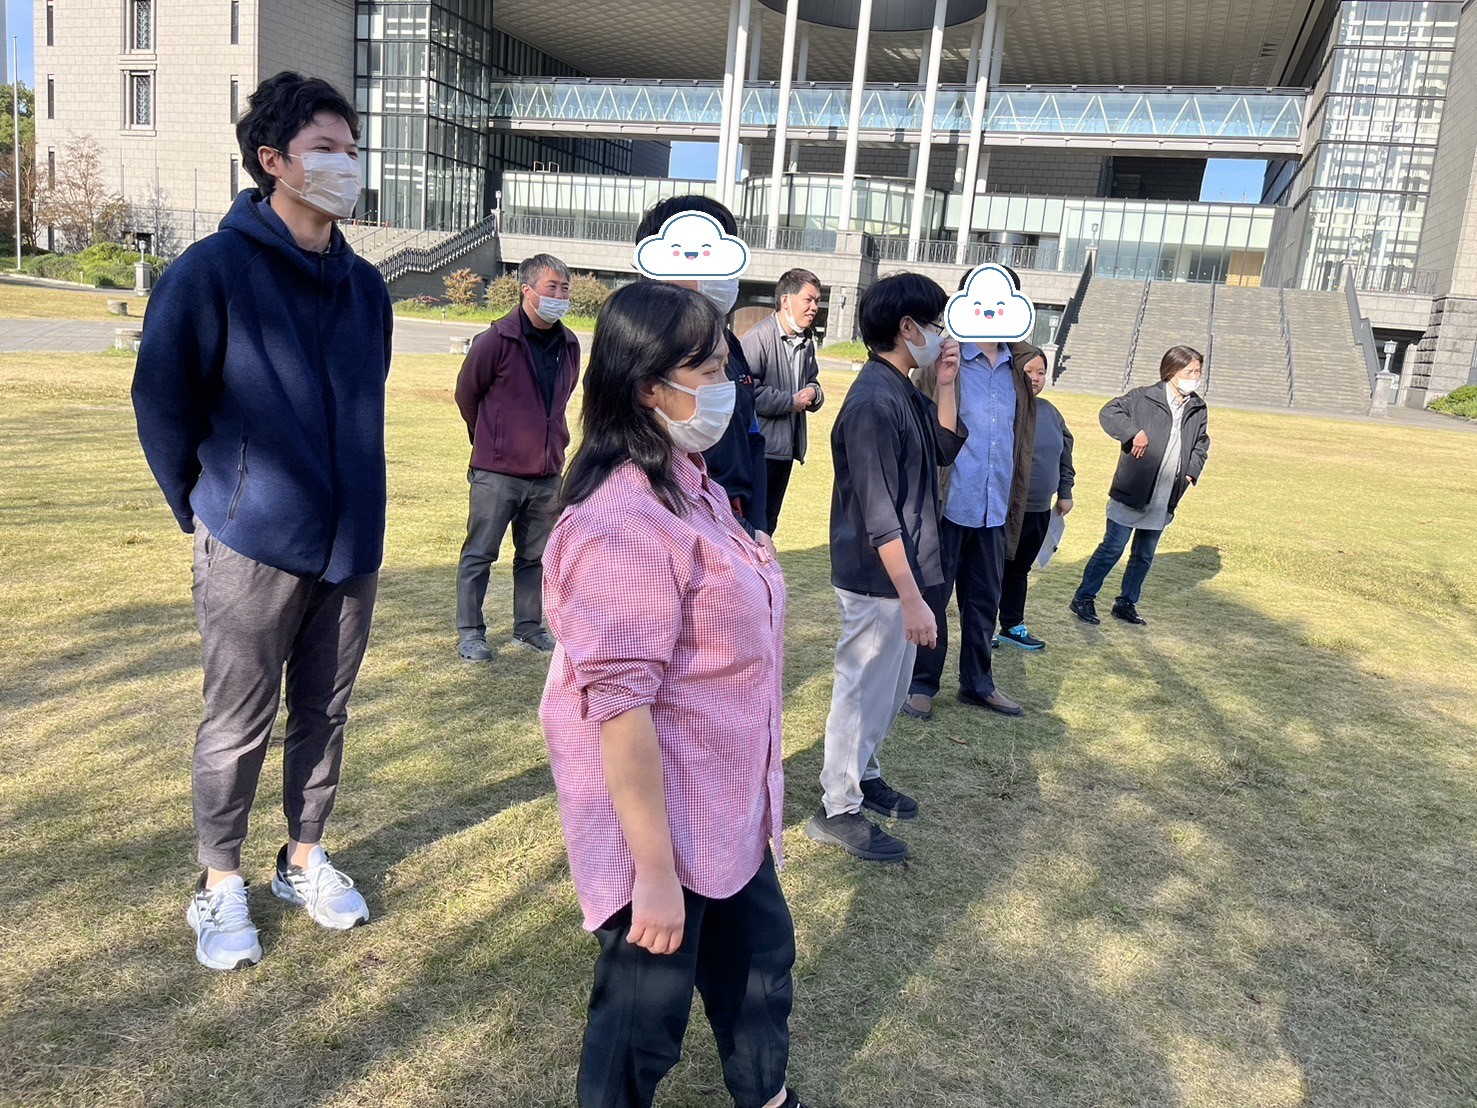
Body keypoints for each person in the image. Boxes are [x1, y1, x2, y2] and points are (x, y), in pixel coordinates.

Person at [132, 72, 388, 971]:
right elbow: (162, 403)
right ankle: (219, 878)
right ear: (273, 161)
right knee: (237, 719)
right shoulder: (211, 272)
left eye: (351, 149)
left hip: (350, 546)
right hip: (249, 541)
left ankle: (302, 858)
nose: (346, 165)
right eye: (326, 149)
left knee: (325, 710)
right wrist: (211, 505)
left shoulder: (366, 288)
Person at [540, 282, 808, 1108]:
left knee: (759, 966)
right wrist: (652, 876)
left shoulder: (690, 482)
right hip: (660, 824)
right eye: (712, 369)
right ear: (650, 388)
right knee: (641, 1015)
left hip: (726, 805)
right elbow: (619, 711)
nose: (730, 385)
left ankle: (765, 1096)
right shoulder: (619, 520)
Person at [806, 273, 966, 863]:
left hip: (907, 571)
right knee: (862, 688)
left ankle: (864, 773)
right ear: (907, 327)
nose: (941, 334)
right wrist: (912, 597)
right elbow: (879, 514)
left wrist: (945, 383)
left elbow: (944, 447)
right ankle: (837, 807)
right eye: (935, 323)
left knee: (889, 688)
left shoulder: (900, 388)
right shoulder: (874, 402)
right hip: (879, 577)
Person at [902, 270, 1036, 721]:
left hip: (994, 507)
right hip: (948, 504)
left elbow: (1020, 437)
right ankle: (922, 683)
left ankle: (978, 683)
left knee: (984, 602)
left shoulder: (1019, 370)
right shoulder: (945, 360)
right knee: (935, 599)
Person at [453, 253, 579, 660]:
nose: (559, 296)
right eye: (551, 287)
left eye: (565, 289)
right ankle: (471, 633)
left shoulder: (569, 344)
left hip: (547, 474)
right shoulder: (496, 340)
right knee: (479, 554)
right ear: (527, 290)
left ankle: (529, 627)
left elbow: (560, 401)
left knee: (535, 557)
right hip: (497, 473)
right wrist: (490, 440)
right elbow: (467, 394)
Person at [634, 196, 771, 550]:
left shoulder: (729, 344)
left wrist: (757, 526)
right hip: (687, 528)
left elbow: (752, 437)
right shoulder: (638, 349)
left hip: (735, 521)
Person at [1070, 345, 1211, 626]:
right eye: (1189, 371)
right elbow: (1109, 412)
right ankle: (1084, 597)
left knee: (1144, 555)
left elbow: (1201, 443)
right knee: (1113, 548)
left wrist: (1190, 473)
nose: (1195, 377)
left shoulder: (1197, 407)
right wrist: (1134, 432)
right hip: (1133, 490)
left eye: (1198, 371)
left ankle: (1126, 602)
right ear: (1171, 371)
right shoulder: (1143, 397)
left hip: (1166, 493)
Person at [996, 344, 1075, 650]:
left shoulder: (1051, 412)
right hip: (1004, 509)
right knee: (993, 569)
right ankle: (983, 628)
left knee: (1020, 570)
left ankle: (1012, 625)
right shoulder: (1003, 407)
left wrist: (1065, 492)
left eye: (1041, 372)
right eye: (1028, 371)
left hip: (1040, 511)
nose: (1035, 378)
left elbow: (1065, 455)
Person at [742, 267, 825, 534]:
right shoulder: (758, 338)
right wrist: (790, 402)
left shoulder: (806, 341)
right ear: (786, 300)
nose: (814, 307)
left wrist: (814, 394)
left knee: (770, 521)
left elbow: (813, 380)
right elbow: (747, 392)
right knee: (754, 522)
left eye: (817, 301)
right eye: (808, 299)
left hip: (787, 449)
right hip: (761, 448)